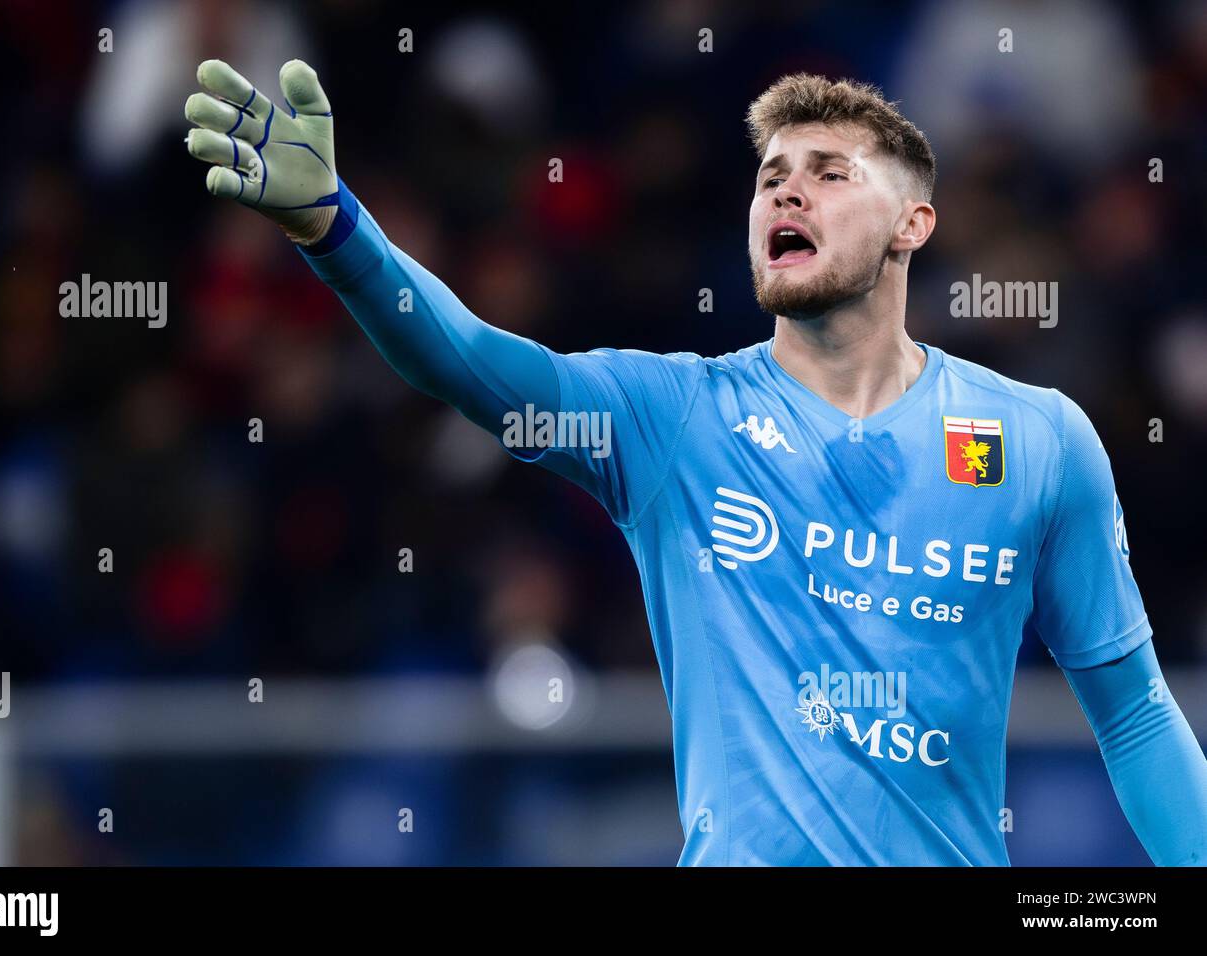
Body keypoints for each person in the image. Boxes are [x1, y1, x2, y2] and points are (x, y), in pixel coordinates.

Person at [183, 60, 1207, 865]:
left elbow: (1131, 710)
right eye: (770, 178)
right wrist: (338, 232)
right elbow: (467, 362)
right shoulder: (674, 416)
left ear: (912, 223)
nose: (784, 194)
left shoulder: (1037, 437)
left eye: (827, 173)